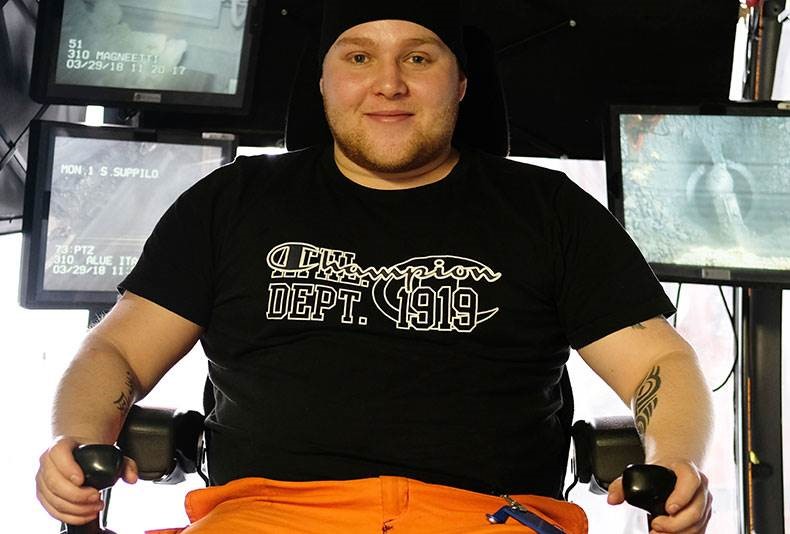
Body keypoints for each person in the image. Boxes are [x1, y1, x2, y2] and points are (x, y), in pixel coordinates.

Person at [36, 2, 714, 533]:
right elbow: (117, 351)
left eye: (418, 57)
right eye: (359, 56)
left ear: (462, 81)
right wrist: (76, 440)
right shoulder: (231, 202)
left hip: (486, 520)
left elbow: (658, 362)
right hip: (263, 518)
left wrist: (675, 460)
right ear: (324, 79)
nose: (389, 83)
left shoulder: (550, 211)